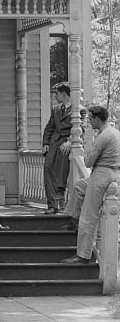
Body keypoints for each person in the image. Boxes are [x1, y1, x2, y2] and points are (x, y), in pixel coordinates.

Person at [61, 105, 120, 265]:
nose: (88, 122)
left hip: (101, 175)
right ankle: (73, 217)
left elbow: (88, 162)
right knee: (80, 186)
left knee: (89, 215)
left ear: (97, 119)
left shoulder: (103, 137)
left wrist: (89, 152)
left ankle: (82, 256)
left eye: (90, 118)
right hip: (111, 173)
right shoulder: (115, 132)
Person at [42, 83, 84, 214]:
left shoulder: (79, 110)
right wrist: (45, 143)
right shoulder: (56, 109)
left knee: (63, 163)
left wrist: (70, 141)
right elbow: (50, 127)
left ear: (64, 94)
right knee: (48, 167)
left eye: (57, 93)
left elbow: (82, 129)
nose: (55, 96)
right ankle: (52, 204)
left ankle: (60, 194)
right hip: (54, 144)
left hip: (66, 144)